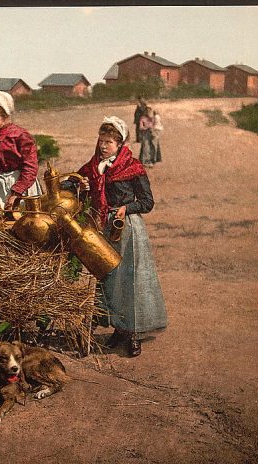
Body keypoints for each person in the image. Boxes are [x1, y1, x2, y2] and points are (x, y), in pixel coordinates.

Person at [73, 116, 167, 357]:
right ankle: (119, 328)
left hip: (128, 229)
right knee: (109, 280)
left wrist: (127, 209)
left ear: (120, 144)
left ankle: (133, 334)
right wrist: (81, 187)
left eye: (109, 142)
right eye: (101, 141)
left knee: (131, 280)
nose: (103, 146)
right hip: (104, 229)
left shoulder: (132, 167)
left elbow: (147, 202)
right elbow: (75, 187)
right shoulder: (92, 167)